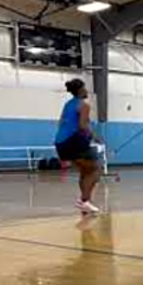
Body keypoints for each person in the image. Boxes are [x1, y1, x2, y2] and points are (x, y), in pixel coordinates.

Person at [55, 78, 101, 214]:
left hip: (60, 143)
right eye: (85, 88)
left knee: (85, 171)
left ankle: (85, 202)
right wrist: (93, 136)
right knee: (95, 170)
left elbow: (60, 124)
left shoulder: (68, 104)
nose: (87, 90)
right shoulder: (84, 105)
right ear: (81, 90)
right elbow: (82, 126)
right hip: (73, 141)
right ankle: (84, 201)